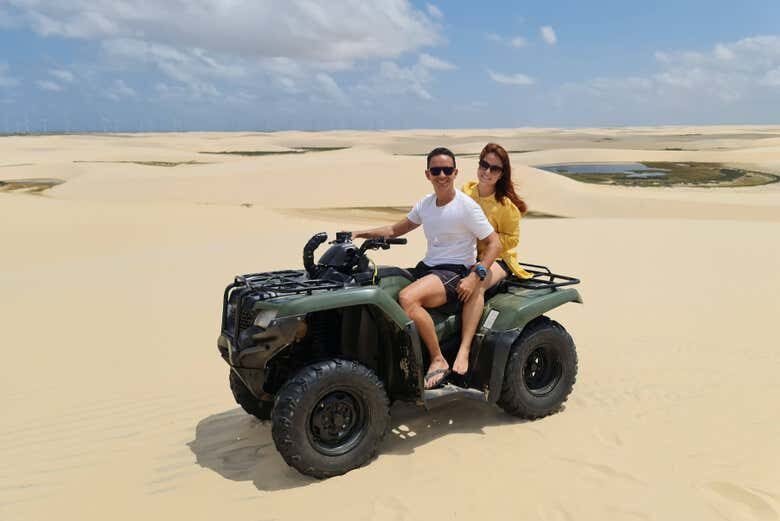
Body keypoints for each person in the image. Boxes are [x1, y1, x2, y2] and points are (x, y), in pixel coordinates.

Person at [354, 147, 501, 389]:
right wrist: (359, 233)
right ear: (428, 174)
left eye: (446, 170)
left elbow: (495, 243)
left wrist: (477, 275)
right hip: (429, 268)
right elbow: (394, 230)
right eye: (436, 170)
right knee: (380, 283)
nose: (441, 175)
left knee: (407, 298)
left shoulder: (466, 207)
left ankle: (437, 358)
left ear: (455, 173)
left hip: (454, 273)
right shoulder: (426, 204)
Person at [454, 142, 531, 375]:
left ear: (502, 173)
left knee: (478, 281)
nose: (487, 172)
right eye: (484, 165)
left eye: (494, 168)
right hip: (465, 254)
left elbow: (511, 240)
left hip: (499, 259)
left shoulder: (506, 207)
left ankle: (464, 349)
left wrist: (487, 237)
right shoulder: (465, 192)